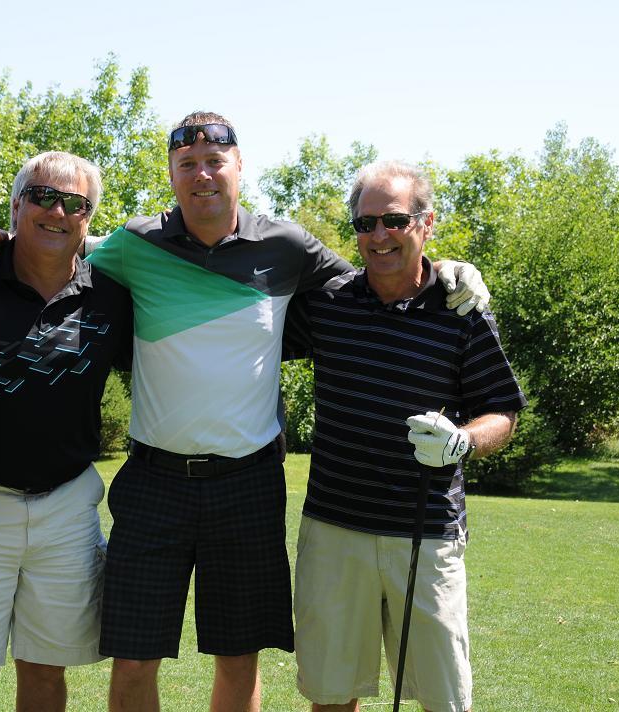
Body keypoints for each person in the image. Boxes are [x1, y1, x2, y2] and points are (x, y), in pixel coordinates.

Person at [81, 113, 491, 712]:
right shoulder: (135, 243)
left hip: (247, 484)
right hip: (152, 482)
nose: (202, 175)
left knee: (239, 656)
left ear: (239, 168)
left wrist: (447, 269)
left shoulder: (286, 244)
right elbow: (57, 245)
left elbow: (377, 274)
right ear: (170, 174)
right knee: (135, 657)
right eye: (187, 164)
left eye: (215, 162)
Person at [283, 160, 526, 712]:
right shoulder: (328, 304)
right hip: (334, 529)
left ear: (426, 222)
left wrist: (463, 440)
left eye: (394, 220)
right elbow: (248, 320)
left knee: (442, 700)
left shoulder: (461, 310)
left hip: (427, 532)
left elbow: (503, 410)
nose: (379, 236)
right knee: (331, 694)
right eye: (365, 225)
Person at [0, 152, 132, 712]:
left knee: (47, 670)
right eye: (43, 197)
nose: (58, 212)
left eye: (75, 204)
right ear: (16, 204)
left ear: (89, 219)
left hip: (68, 505)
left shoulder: (113, 293)